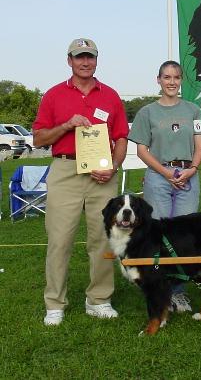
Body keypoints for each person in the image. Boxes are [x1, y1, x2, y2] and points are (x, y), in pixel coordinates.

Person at [33, 38, 129, 326]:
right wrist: (66, 125)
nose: (85, 62)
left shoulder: (110, 96)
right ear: (69, 61)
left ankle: (99, 299)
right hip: (65, 171)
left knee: (103, 240)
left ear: (97, 60)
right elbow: (38, 139)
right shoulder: (53, 95)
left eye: (90, 57)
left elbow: (121, 137)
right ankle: (55, 303)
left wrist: (114, 166)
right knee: (60, 240)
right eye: (79, 57)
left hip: (102, 175)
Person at [128, 60, 201, 312]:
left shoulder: (193, 110)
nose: (171, 82)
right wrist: (165, 172)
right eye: (166, 77)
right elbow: (141, 149)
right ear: (158, 79)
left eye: (176, 77)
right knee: (157, 236)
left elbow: (199, 144)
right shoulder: (146, 112)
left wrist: (191, 169)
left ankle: (179, 292)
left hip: (187, 175)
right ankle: (159, 291)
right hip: (159, 175)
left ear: (181, 80)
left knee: (183, 237)